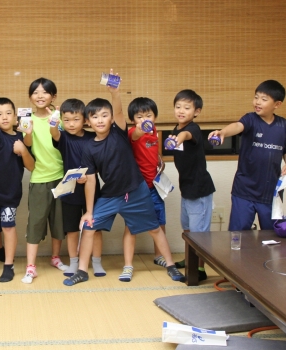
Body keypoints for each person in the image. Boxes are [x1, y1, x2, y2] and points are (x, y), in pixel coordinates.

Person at [63, 71, 185, 286]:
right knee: (89, 227)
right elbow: (91, 180)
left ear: (111, 118)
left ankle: (170, 265)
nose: (100, 120)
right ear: (88, 122)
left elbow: (118, 109)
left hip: (136, 191)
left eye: (104, 115)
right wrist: (89, 211)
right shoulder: (89, 148)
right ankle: (82, 271)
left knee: (154, 228)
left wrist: (115, 93)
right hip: (111, 195)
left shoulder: (118, 133)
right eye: (95, 117)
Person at [209, 80, 286, 231]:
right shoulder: (250, 119)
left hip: (270, 192)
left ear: (277, 104)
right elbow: (237, 126)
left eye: (264, 99)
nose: (258, 102)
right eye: (256, 97)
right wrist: (223, 132)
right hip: (244, 190)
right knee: (237, 235)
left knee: (272, 235)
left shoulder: (284, 126)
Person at [48, 99, 105, 278]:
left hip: (92, 188)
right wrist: (54, 122)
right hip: (70, 190)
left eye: (76, 119)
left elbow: (100, 162)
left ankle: (96, 262)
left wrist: (89, 175)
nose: (71, 124)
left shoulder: (93, 137)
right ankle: (74, 262)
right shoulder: (63, 137)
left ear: (85, 120)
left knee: (94, 228)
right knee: (72, 229)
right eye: (67, 120)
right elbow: (54, 133)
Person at [164, 89, 215, 281]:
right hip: (187, 189)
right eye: (178, 107)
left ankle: (199, 269)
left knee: (198, 234)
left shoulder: (192, 129)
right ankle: (189, 259)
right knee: (187, 230)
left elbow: (186, 135)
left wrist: (179, 137)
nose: (181, 111)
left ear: (197, 111)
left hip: (199, 190)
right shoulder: (176, 129)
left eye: (186, 107)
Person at [0, 97, 35, 282]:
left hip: (11, 193)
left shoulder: (21, 137)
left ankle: (8, 265)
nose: (4, 117)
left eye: (8, 113)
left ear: (15, 116)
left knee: (8, 226)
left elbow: (31, 166)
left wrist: (24, 149)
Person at [22, 78, 68, 284]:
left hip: (61, 176)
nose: (40, 96)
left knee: (59, 222)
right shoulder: (27, 118)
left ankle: (55, 258)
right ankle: (30, 266)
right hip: (39, 178)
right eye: (35, 92)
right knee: (35, 222)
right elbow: (27, 144)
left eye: (45, 92)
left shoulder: (60, 117)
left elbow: (64, 141)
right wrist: (28, 132)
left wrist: (57, 123)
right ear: (30, 97)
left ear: (53, 96)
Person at [127, 97, 174, 274]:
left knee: (160, 221)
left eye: (148, 116)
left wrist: (159, 160)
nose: (144, 120)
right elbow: (136, 136)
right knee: (131, 225)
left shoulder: (155, 131)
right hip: (138, 187)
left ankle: (159, 255)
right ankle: (128, 263)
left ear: (155, 116)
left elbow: (151, 151)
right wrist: (140, 129)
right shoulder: (133, 132)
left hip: (155, 185)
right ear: (133, 119)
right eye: (139, 117)